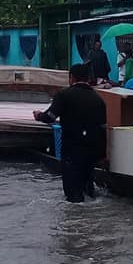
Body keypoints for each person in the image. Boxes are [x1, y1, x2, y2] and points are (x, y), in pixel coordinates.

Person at [33, 63, 106, 203]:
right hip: (92, 150)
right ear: (88, 78)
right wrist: (102, 155)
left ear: (71, 78)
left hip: (72, 148)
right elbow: (102, 128)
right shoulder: (98, 99)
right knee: (88, 190)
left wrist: (38, 115)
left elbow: (50, 117)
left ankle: (75, 219)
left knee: (73, 193)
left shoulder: (64, 95)